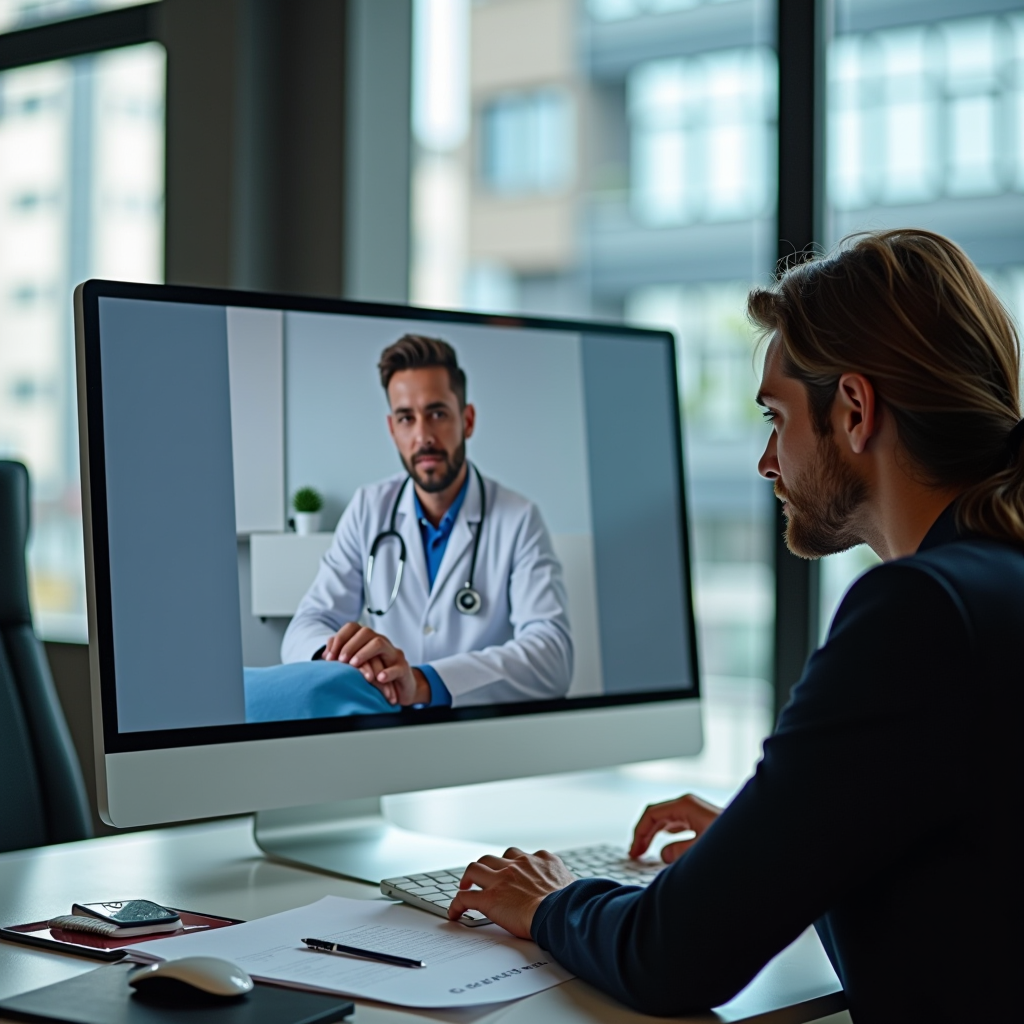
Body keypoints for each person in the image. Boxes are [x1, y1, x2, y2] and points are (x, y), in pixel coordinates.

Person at [446, 229, 1024, 1023]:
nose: (764, 462)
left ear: (855, 410)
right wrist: (781, 840)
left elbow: (672, 957)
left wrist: (551, 901)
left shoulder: (923, 612)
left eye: (774, 416)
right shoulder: (998, 581)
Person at [281, 334, 573, 709]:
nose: (423, 436)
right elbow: (306, 625)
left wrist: (423, 682)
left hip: (478, 733)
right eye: (406, 418)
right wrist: (342, 659)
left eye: (437, 414)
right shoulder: (369, 508)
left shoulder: (518, 520)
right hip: (385, 724)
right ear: (392, 430)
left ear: (466, 420)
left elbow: (553, 658)